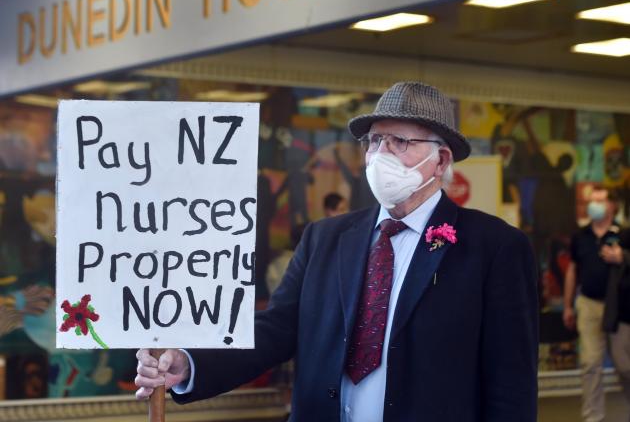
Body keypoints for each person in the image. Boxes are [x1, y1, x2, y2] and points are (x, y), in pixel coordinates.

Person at [135, 81, 538, 421]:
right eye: (375, 140)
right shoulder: (326, 239)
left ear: (441, 160)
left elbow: (511, 382)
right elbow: (275, 330)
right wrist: (190, 363)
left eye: (400, 141)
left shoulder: (493, 248)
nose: (381, 154)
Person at [563, 186, 630, 422]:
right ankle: (593, 417)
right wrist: (568, 304)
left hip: (620, 308)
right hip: (588, 304)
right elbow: (572, 270)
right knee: (590, 363)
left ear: (612, 205)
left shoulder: (624, 234)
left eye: (600, 201)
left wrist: (623, 258)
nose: (595, 205)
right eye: (592, 201)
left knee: (625, 366)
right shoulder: (580, 236)